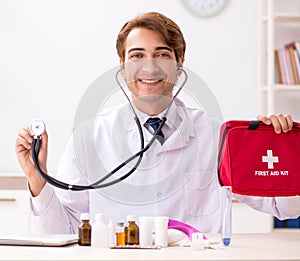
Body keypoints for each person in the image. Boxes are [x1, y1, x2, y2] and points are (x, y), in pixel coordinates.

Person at [16, 12, 299, 234]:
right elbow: (60, 231)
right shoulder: (90, 136)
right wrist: (36, 178)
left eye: (162, 55)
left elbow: (286, 207)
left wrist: (285, 149)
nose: (149, 67)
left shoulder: (215, 136)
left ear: (179, 64)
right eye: (137, 55)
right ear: (122, 66)